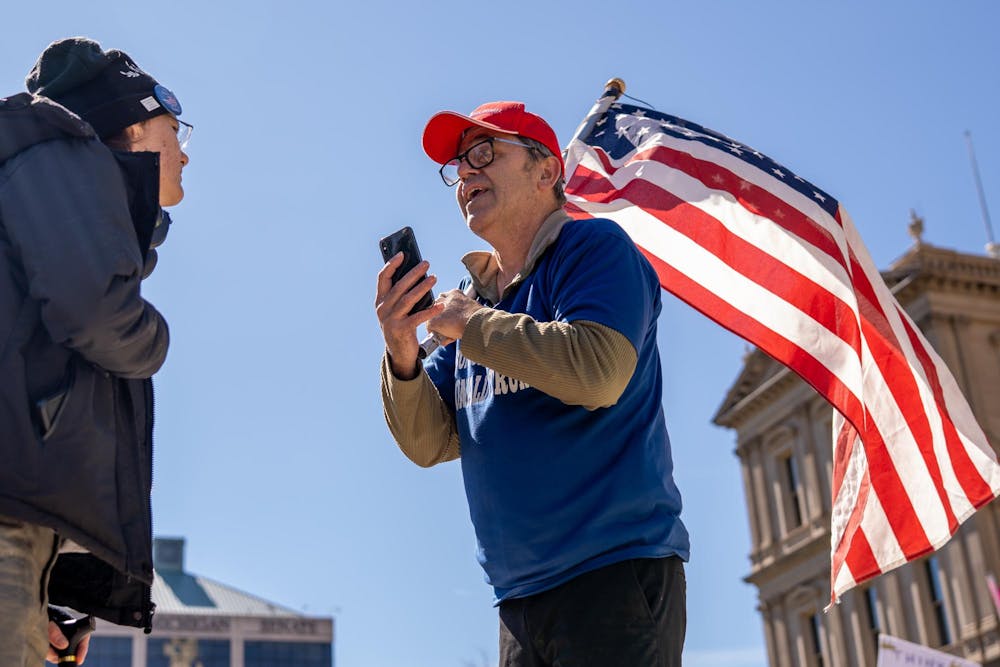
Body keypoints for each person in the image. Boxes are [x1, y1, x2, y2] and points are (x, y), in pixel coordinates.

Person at [375, 100, 689, 666]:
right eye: (457, 165)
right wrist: (402, 353)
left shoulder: (593, 250)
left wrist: (468, 324)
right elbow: (429, 443)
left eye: (483, 153)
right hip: (518, 601)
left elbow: (598, 372)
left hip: (612, 574)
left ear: (547, 171)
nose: (465, 172)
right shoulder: (476, 309)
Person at [0, 37, 191, 664]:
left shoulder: (55, 183)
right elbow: (95, 313)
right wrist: (154, 339)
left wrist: (51, 595)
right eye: (175, 127)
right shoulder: (61, 154)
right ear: (134, 125)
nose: (185, 153)